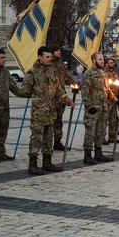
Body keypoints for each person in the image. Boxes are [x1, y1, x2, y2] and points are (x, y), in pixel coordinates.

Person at [20, 46, 73, 174]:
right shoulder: (32, 72)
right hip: (39, 113)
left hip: (51, 112)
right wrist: (37, 97)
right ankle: (32, 164)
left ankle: (47, 162)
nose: (50, 59)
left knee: (48, 138)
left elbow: (59, 90)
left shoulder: (52, 71)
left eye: (50, 57)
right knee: (36, 138)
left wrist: (68, 100)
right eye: (47, 57)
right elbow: (25, 91)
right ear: (40, 57)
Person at [80, 53, 111, 164]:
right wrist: (89, 105)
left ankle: (98, 152)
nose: (102, 61)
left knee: (100, 131)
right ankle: (87, 155)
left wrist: (115, 99)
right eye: (100, 59)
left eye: (103, 59)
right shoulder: (89, 74)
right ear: (94, 60)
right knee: (90, 132)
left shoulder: (103, 73)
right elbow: (85, 91)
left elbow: (106, 89)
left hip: (103, 107)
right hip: (93, 109)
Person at [49, 45, 73, 151]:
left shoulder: (61, 64)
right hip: (52, 98)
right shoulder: (49, 64)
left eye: (59, 50)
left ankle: (57, 142)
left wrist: (75, 84)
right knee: (50, 122)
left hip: (61, 97)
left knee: (59, 121)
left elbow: (67, 77)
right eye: (56, 50)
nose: (59, 52)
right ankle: (47, 143)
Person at [102, 56, 119, 145]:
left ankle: (112, 136)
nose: (113, 64)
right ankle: (102, 137)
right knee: (104, 119)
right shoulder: (104, 73)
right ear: (106, 64)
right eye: (111, 63)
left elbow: (117, 85)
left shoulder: (115, 73)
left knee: (113, 118)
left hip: (114, 99)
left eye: (113, 63)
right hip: (106, 99)